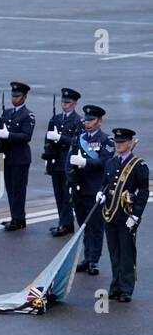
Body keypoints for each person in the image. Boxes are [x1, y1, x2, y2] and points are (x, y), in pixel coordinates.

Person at [100, 127, 147, 302]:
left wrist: (135, 216)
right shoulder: (111, 162)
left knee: (126, 253)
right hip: (110, 214)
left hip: (126, 216)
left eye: (121, 142)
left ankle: (126, 288)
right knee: (114, 252)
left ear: (129, 143)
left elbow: (143, 193)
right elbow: (105, 183)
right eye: (116, 142)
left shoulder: (138, 165)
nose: (118, 145)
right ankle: (116, 285)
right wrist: (101, 193)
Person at [67, 104, 113, 275]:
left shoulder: (106, 141)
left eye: (91, 120)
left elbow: (105, 162)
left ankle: (94, 260)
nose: (88, 123)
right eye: (86, 120)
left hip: (95, 190)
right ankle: (86, 258)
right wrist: (70, 182)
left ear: (99, 122)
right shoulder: (78, 139)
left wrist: (86, 162)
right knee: (83, 225)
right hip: (80, 188)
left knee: (95, 227)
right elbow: (69, 162)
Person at [0, 81, 36, 230]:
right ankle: (15, 216)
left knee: (18, 189)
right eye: (13, 96)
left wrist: (8, 135)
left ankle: (19, 219)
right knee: (10, 188)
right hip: (7, 156)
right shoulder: (6, 113)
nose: (14, 98)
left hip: (20, 158)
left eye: (18, 96)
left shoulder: (28, 115)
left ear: (24, 97)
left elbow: (26, 136)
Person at [45, 87, 84, 236]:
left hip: (68, 163)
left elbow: (77, 141)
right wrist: (47, 157)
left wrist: (60, 138)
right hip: (56, 161)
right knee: (58, 194)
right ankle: (63, 222)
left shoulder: (78, 121)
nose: (64, 104)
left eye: (68, 102)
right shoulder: (55, 119)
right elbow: (48, 138)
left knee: (67, 196)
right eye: (63, 102)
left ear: (74, 103)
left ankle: (66, 224)